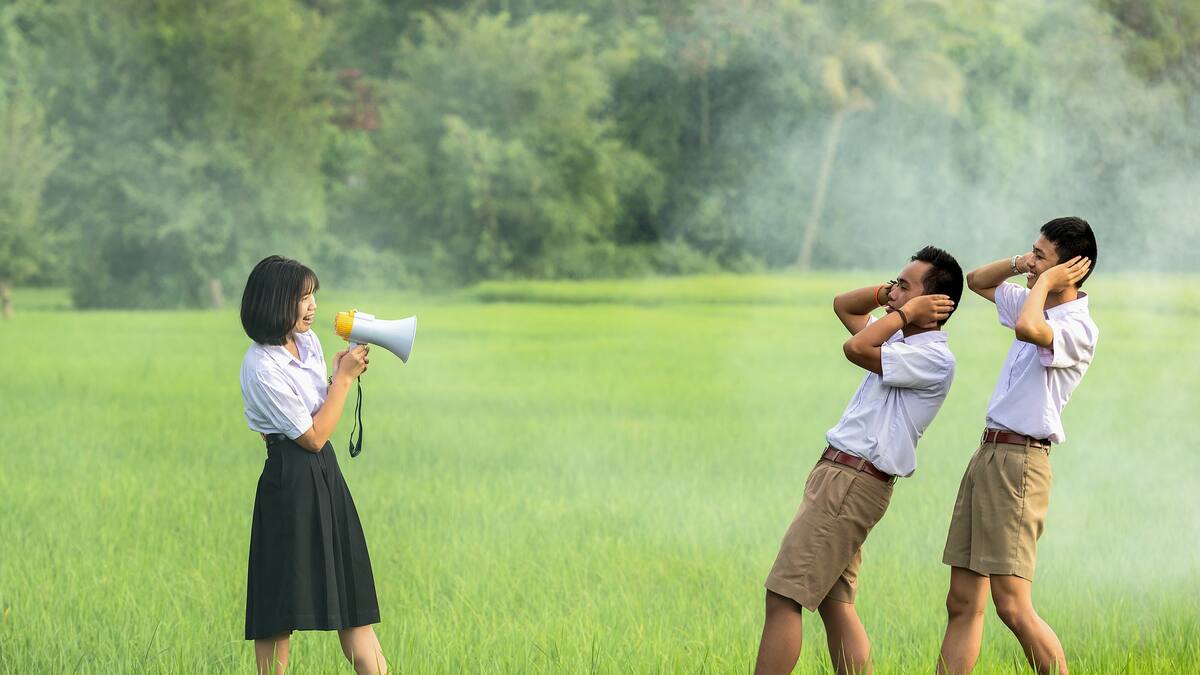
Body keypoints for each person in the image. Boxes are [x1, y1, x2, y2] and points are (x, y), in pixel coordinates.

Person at [755, 246, 963, 675]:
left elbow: (855, 346)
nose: (893, 293)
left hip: (851, 481)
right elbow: (842, 305)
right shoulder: (899, 339)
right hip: (843, 478)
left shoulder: (932, 358)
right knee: (835, 605)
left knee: (784, 596)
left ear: (935, 305)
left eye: (905, 286)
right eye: (895, 283)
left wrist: (904, 314)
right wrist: (892, 295)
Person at [936, 217, 1098, 675]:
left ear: (1072, 271)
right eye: (1033, 253)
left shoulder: (1077, 327)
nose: (1031, 263)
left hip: (1021, 463)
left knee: (1012, 605)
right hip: (989, 454)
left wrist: (1043, 282)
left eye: (1040, 255)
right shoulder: (1035, 298)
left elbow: (1028, 327)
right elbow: (976, 281)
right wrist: (1021, 264)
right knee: (962, 600)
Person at [239, 255, 387, 675]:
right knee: (277, 606)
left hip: (325, 473)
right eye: (303, 297)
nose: (313, 306)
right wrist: (343, 380)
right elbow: (313, 434)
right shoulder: (261, 367)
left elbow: (321, 416)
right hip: (289, 479)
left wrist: (339, 374)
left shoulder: (309, 344)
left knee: (352, 598)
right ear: (274, 302)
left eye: (312, 296)